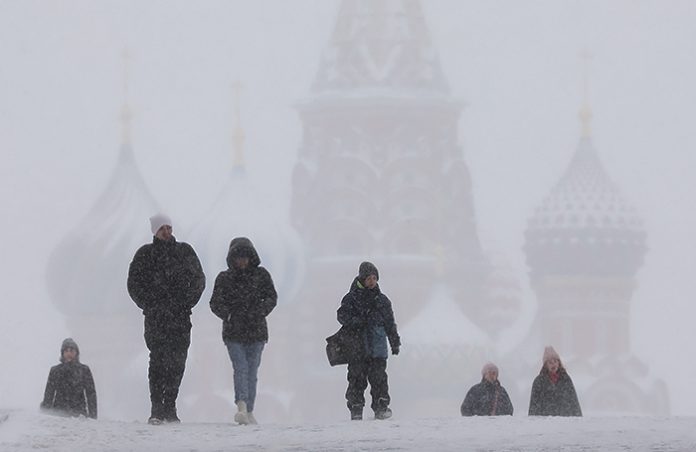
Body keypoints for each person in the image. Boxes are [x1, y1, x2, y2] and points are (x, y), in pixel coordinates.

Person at [127, 213, 206, 425]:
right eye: (162, 228)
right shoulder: (145, 255)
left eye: (169, 227)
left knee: (178, 361)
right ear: (155, 231)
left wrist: (186, 302)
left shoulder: (184, 252)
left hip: (180, 317)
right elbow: (134, 283)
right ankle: (156, 407)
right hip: (156, 318)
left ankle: (170, 405)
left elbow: (198, 279)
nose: (166, 231)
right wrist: (149, 304)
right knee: (158, 361)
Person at [210, 237, 277, 425]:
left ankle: (249, 409)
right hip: (234, 333)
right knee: (241, 368)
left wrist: (260, 311)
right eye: (238, 257)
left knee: (251, 371)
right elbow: (215, 303)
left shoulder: (261, 275)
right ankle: (242, 406)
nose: (242, 261)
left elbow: (271, 297)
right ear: (232, 258)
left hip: (256, 332)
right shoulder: (224, 278)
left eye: (245, 257)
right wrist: (229, 315)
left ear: (251, 257)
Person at [337, 261, 401, 421]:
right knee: (356, 379)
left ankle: (381, 407)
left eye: (374, 278)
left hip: (377, 348)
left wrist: (394, 342)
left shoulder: (383, 300)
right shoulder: (351, 298)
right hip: (357, 348)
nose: (372, 281)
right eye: (369, 278)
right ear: (362, 279)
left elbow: (390, 323)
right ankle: (356, 408)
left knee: (379, 379)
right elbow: (341, 316)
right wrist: (356, 321)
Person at [40, 338, 97, 419]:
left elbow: (91, 395)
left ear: (76, 353)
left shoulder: (84, 370)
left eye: (71, 351)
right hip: (58, 415)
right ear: (62, 353)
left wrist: (93, 417)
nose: (69, 353)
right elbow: (49, 395)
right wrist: (45, 414)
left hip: (79, 415)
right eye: (66, 351)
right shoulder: (55, 371)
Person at [528, 346, 582, 417]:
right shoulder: (538, 382)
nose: (553, 364)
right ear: (545, 365)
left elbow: (574, 402)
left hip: (565, 422)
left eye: (555, 361)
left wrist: (578, 420)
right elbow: (533, 407)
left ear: (559, 362)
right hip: (545, 423)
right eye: (550, 362)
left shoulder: (566, 379)